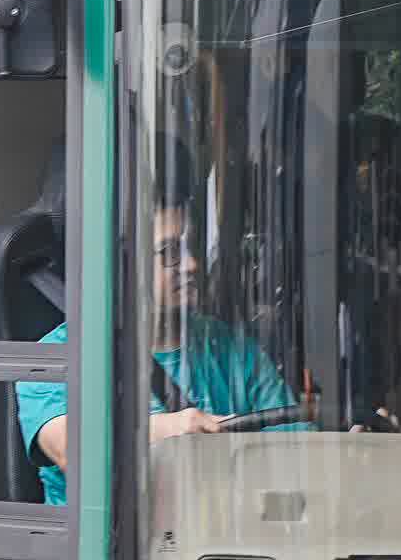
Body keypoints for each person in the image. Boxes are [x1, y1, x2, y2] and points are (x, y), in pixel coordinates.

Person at [15, 195, 301, 499]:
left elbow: (294, 443)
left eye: (193, 247)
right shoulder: (56, 356)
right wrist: (170, 428)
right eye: (170, 252)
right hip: (113, 530)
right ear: (124, 265)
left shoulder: (230, 346)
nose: (191, 265)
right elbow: (71, 451)